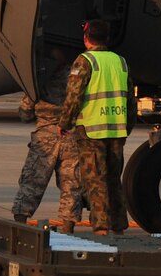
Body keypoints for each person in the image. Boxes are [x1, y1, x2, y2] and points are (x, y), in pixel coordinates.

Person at [52, 19, 131, 234]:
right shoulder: (120, 62)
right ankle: (119, 228)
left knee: (95, 180)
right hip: (116, 129)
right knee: (114, 179)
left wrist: (65, 122)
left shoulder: (85, 61)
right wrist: (127, 126)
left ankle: (101, 228)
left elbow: (74, 96)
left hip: (92, 130)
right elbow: (129, 100)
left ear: (86, 38)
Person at [11, 43, 82, 225]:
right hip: (71, 136)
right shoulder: (76, 78)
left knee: (32, 182)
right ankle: (68, 227)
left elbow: (25, 113)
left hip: (45, 137)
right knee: (71, 185)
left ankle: (20, 221)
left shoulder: (39, 80)